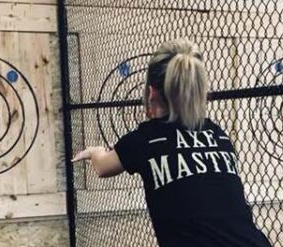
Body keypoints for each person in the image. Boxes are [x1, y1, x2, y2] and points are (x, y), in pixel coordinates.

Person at [72, 39, 272, 247]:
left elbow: (102, 166)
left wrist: (95, 151)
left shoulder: (145, 139)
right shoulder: (218, 134)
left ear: (151, 92)